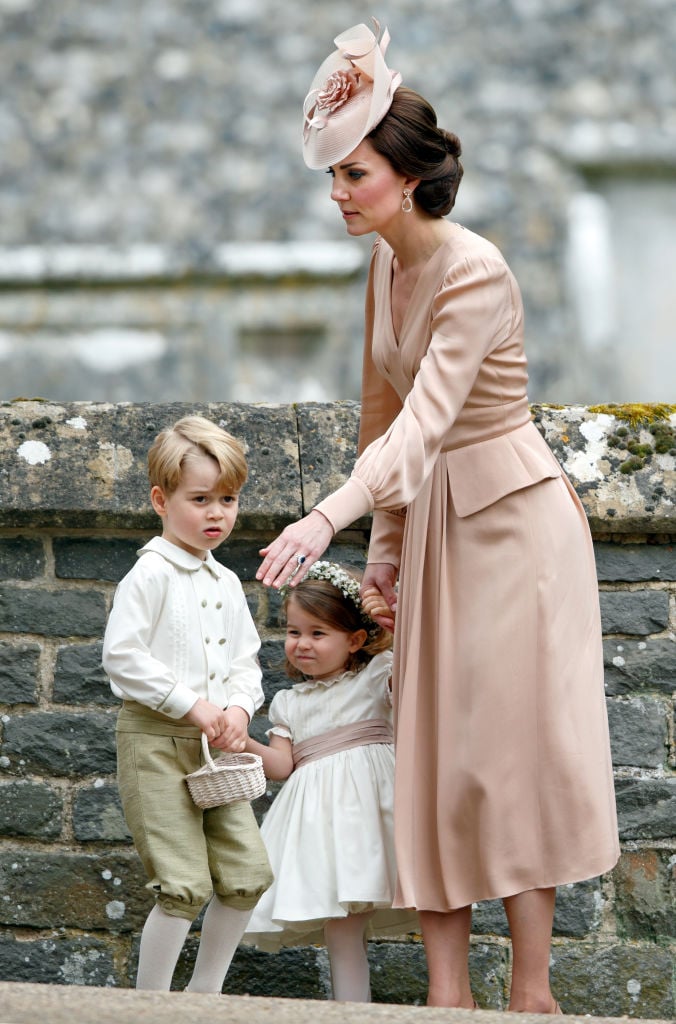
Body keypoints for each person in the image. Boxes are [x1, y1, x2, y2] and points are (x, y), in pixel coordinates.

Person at [257, 20, 620, 1012]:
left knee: (505, 756)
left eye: (354, 174)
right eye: (332, 176)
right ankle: (446, 995)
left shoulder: (475, 270)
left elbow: (422, 428)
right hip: (429, 529)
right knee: (429, 757)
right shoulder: (382, 265)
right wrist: (382, 554)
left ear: (407, 176)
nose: (338, 194)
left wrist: (323, 517)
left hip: (509, 528)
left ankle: (531, 990)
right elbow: (381, 413)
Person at [102, 415, 273, 992]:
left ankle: (205, 997)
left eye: (228, 498)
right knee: (182, 884)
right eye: (200, 499)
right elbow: (122, 657)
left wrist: (241, 711)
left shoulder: (226, 583)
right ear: (161, 499)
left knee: (247, 875)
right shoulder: (148, 575)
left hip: (216, 752)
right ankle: (150, 1004)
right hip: (154, 743)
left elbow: (247, 662)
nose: (217, 513)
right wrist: (195, 706)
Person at [243, 561, 417, 1002]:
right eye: (295, 631)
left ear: (355, 639)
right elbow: (282, 766)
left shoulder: (379, 675)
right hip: (320, 826)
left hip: (374, 814)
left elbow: (415, 681)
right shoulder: (289, 703)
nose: (302, 644)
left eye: (318, 633)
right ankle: (351, 1009)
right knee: (342, 927)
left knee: (358, 920)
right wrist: (240, 743)